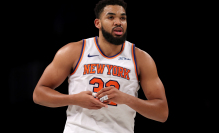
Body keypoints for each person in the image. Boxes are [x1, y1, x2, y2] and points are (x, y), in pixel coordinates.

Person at [33, 0, 169, 132]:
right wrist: (74, 99)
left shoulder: (141, 58)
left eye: (123, 18)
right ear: (98, 23)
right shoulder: (74, 51)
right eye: (111, 17)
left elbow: (162, 113)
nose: (118, 22)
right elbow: (39, 94)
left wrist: (127, 99)